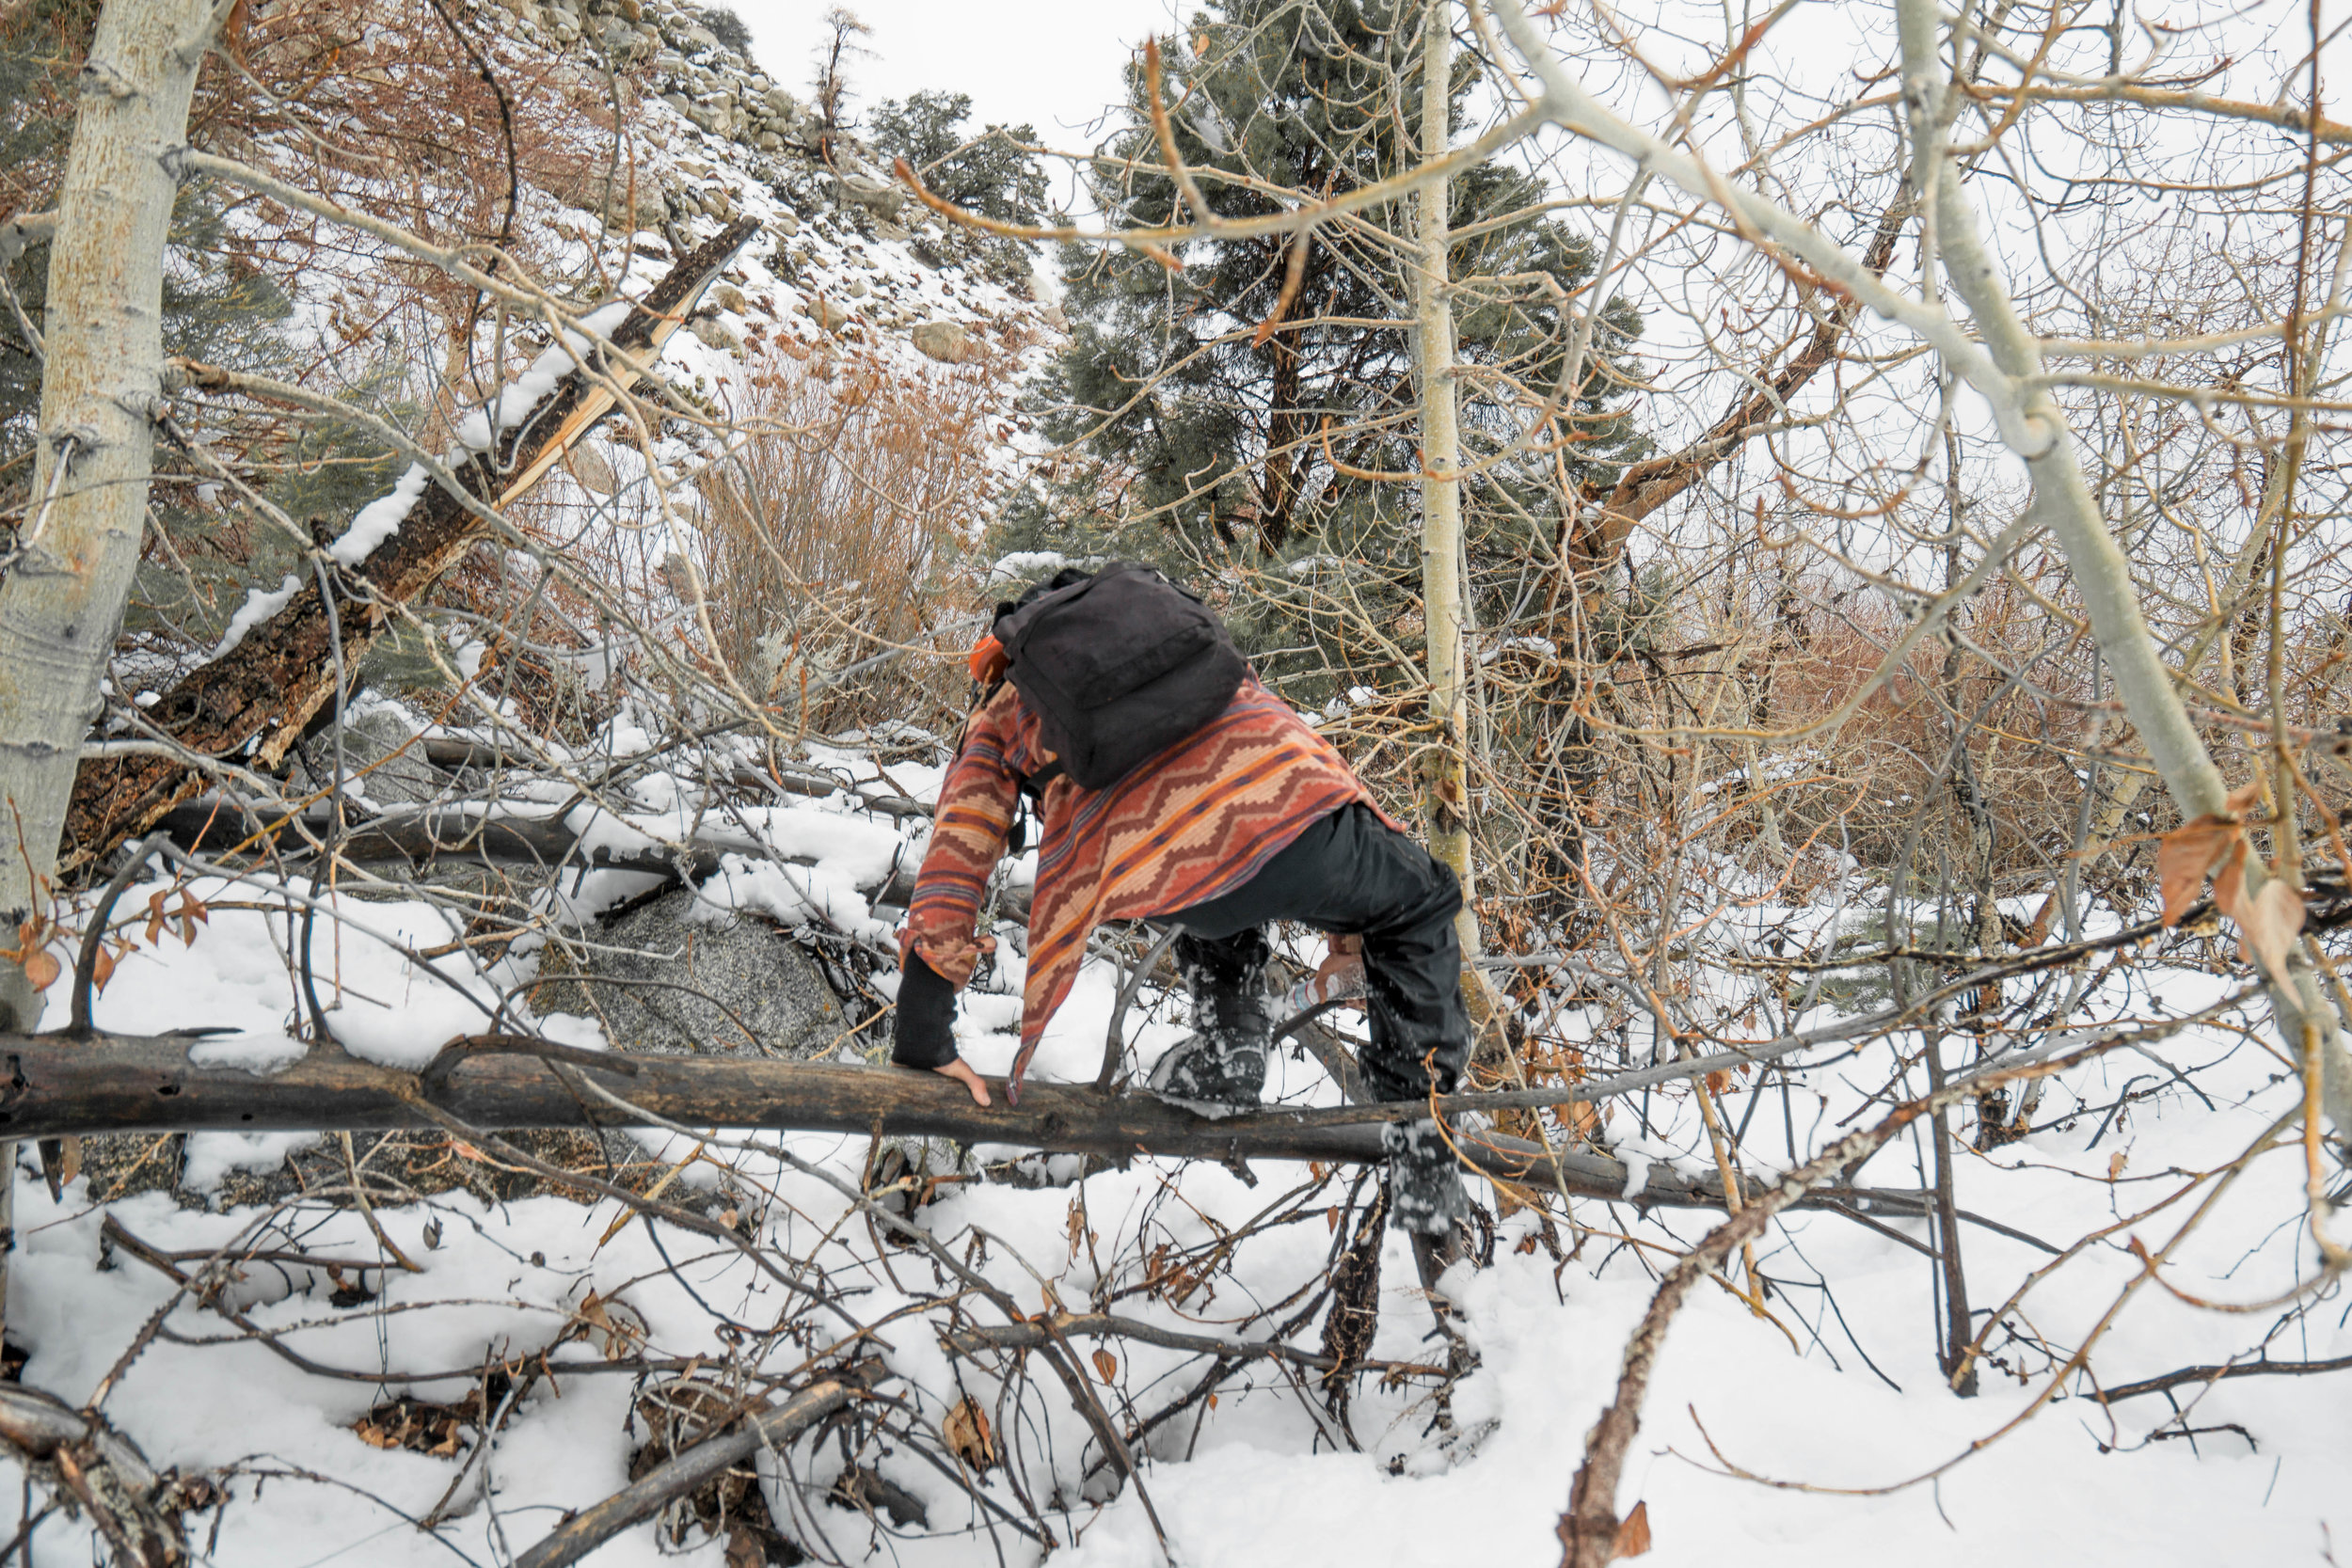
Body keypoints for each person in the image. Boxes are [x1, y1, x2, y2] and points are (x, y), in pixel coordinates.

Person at [889, 575, 1474, 1234]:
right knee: (1417, 900)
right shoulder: (1166, 628)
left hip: (1157, 866)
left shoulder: (1006, 698)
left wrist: (922, 1034)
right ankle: (1423, 1136)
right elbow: (1278, 729)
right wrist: (1357, 908)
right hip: (1294, 801)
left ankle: (1231, 1048)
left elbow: (956, 855)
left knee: (1196, 875)